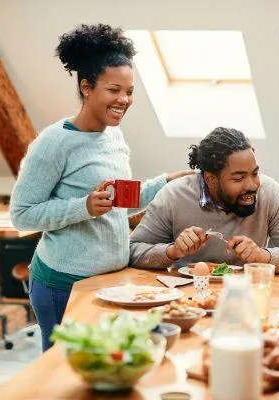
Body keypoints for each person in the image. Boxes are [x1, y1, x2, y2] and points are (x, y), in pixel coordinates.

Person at [10, 24, 190, 351]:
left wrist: (165, 183)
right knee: (64, 374)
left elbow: (119, 203)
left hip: (111, 282)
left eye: (130, 91)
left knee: (106, 370)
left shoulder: (113, 135)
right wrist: (84, 207)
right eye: (114, 89)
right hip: (62, 284)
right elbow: (22, 215)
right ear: (87, 87)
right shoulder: (53, 143)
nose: (124, 100)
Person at [129, 127, 279, 272]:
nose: (252, 185)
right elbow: (132, 251)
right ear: (211, 179)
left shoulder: (270, 193)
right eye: (238, 178)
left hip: (250, 295)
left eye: (255, 173)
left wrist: (264, 256)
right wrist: (173, 251)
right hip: (188, 299)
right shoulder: (173, 196)